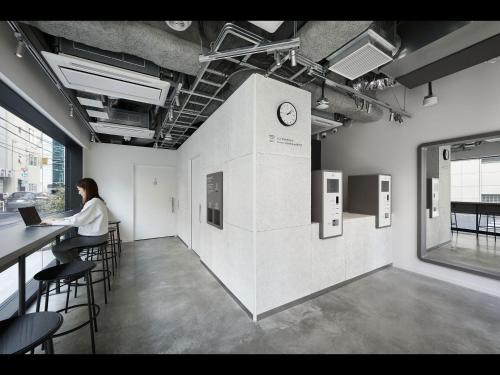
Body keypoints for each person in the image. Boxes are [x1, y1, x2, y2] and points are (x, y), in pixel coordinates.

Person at [42, 178, 109, 264]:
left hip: (94, 238)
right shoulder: (97, 201)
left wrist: (52, 222)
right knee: (70, 248)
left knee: (57, 249)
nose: (79, 193)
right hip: (99, 236)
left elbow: (77, 221)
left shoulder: (94, 203)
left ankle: (77, 271)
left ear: (86, 189)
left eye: (79, 190)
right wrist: (59, 219)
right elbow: (78, 217)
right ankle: (79, 267)